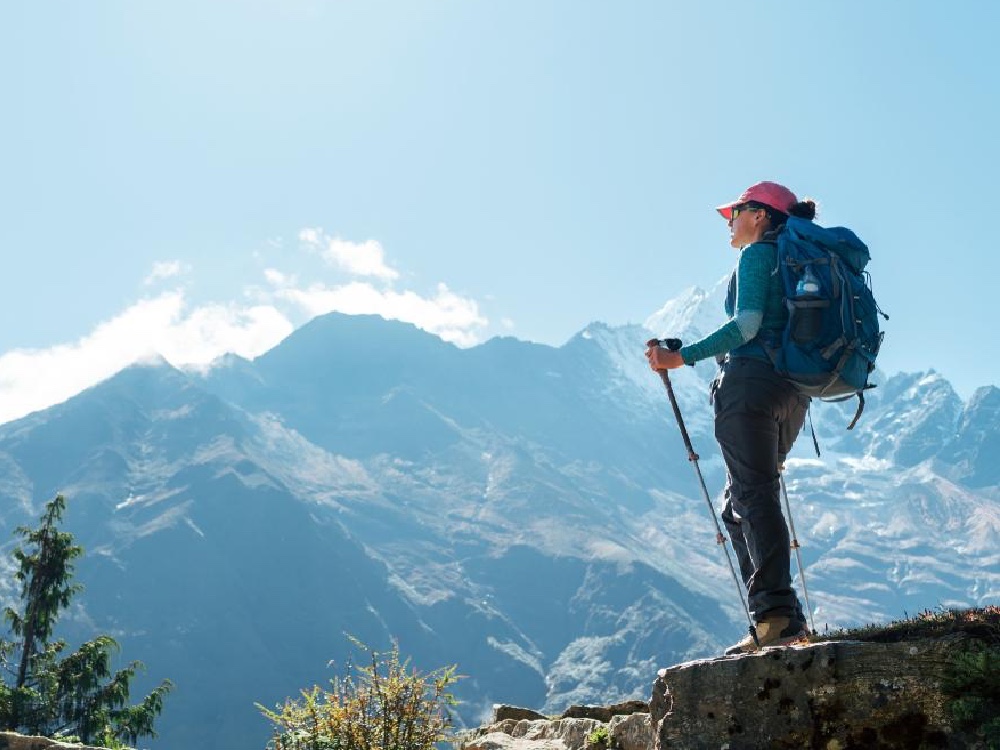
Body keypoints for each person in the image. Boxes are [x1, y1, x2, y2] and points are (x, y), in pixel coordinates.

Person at [645, 180, 816, 654]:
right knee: (740, 501)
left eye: (734, 212)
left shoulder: (759, 255)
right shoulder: (799, 262)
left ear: (760, 214)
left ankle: (776, 616)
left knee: (751, 495)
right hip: (793, 395)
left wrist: (684, 357)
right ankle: (781, 617)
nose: (729, 221)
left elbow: (746, 327)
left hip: (750, 388)